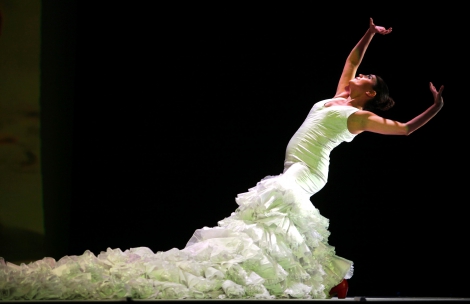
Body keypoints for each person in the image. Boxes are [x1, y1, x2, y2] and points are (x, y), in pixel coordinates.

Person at [0, 18, 443, 300]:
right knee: (261, 227)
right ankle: (313, 282)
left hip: (307, 174)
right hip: (294, 169)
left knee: (266, 223)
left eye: (368, 78)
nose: (361, 76)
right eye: (364, 74)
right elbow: (350, 61)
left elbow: (403, 130)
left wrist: (436, 108)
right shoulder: (339, 96)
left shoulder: (358, 116)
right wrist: (368, 34)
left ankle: (302, 281)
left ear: (371, 94)